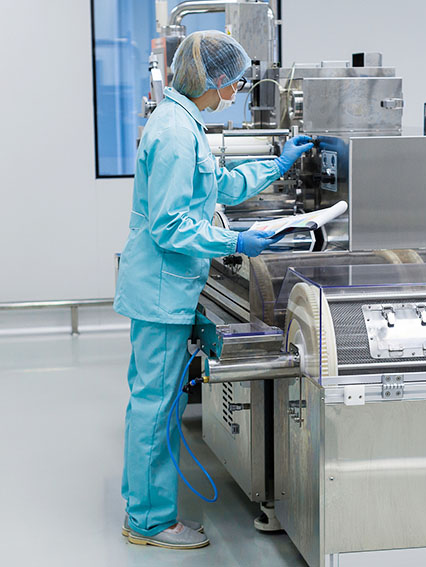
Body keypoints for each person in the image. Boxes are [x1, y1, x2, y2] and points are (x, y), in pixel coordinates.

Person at [113, 30, 313, 550]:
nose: (235, 91)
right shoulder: (176, 134)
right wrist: (236, 241)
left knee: (153, 404)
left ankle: (143, 509)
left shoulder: (183, 123)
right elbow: (171, 226)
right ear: (214, 79)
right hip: (161, 292)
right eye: (234, 82)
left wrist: (277, 166)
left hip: (164, 288)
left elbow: (218, 185)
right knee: (155, 408)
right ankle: (149, 521)